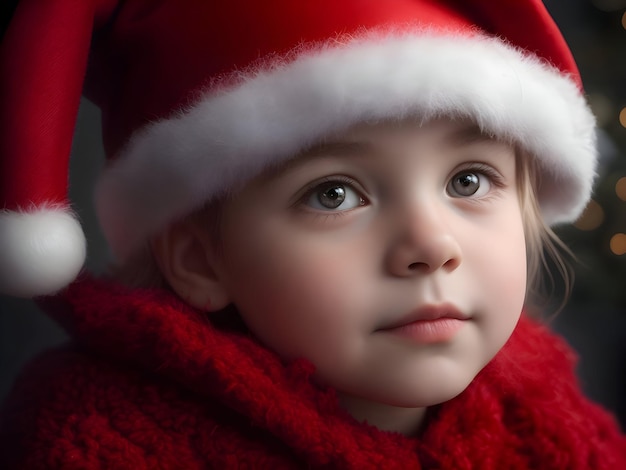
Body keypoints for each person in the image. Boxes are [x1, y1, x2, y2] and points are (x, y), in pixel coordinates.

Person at [1, 0, 625, 468]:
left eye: (468, 181)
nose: (433, 247)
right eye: (334, 194)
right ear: (200, 259)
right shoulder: (103, 441)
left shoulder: (546, 422)